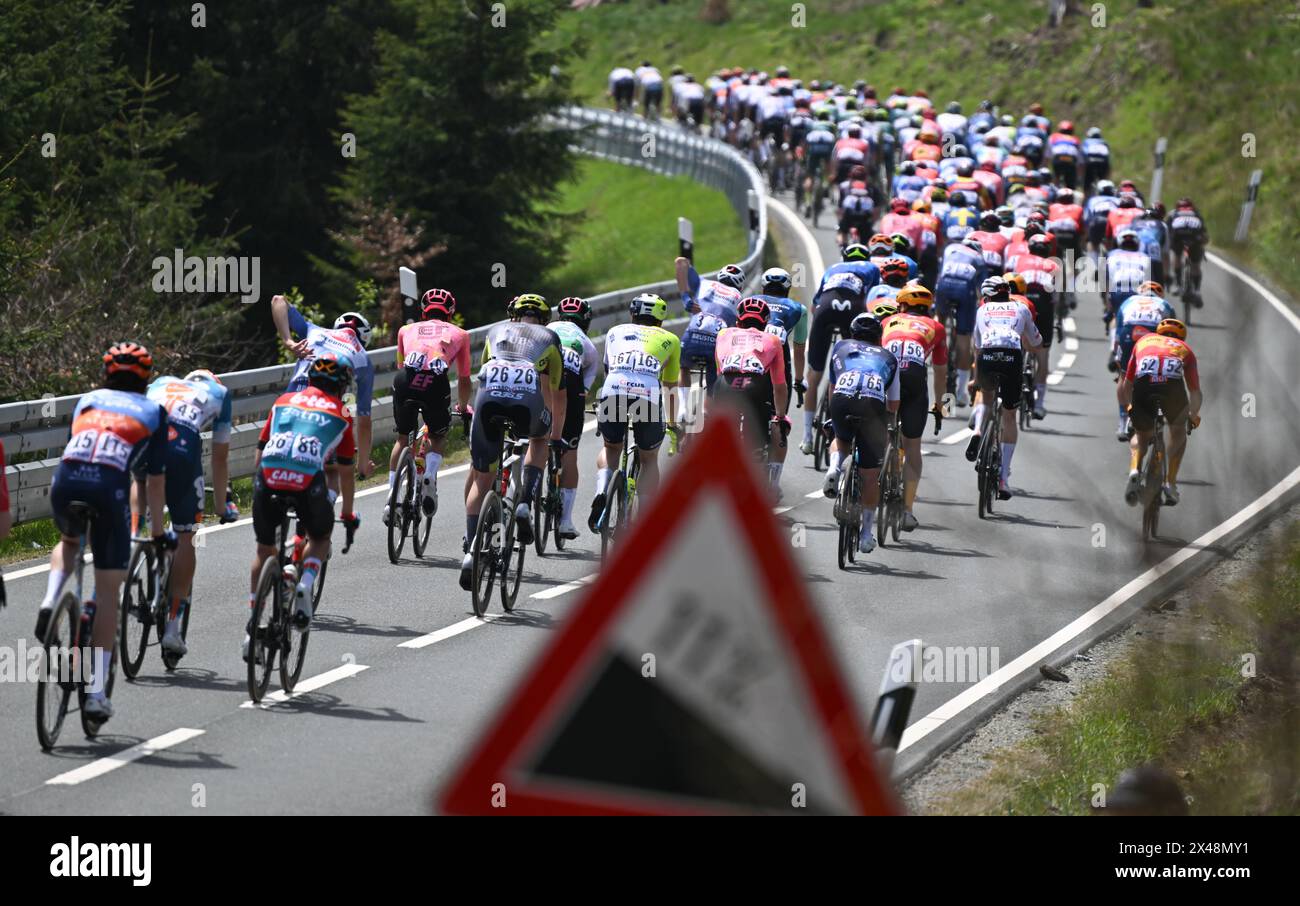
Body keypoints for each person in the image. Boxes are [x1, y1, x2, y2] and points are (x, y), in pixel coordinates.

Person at [38, 343, 170, 724]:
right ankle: (95, 692)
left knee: (69, 541)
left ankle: (49, 601)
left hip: (66, 479)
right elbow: (155, 481)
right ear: (145, 378)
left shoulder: (88, 399)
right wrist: (158, 534)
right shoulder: (154, 411)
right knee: (109, 590)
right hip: (108, 484)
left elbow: (75, 443)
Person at [461, 294, 565, 588]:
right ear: (545, 319)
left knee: (482, 478)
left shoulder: (495, 330)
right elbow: (558, 393)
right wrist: (555, 435)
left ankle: (471, 550)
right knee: (539, 439)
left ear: (513, 315)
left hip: (488, 400)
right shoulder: (550, 337)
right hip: (526, 404)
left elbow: (482, 374)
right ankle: (525, 502)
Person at [134, 367, 236, 660]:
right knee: (186, 535)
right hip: (182, 450)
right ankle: (173, 627)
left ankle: (134, 532)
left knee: (140, 479)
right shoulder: (220, 394)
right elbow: (219, 458)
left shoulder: (162, 382)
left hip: (144, 442)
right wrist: (221, 507)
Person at [587, 293, 680, 532]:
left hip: (613, 390)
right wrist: (671, 423)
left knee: (611, 448)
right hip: (647, 397)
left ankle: (601, 490)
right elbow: (670, 386)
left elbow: (608, 371)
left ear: (632, 314)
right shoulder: (671, 338)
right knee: (649, 459)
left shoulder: (615, 331)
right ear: (660, 319)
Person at [270, 294, 376, 484]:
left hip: (292, 400)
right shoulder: (363, 358)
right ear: (364, 339)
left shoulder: (314, 331)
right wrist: (362, 466)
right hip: (326, 409)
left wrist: (289, 342)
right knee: (332, 473)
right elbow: (365, 420)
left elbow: (278, 300)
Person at [387, 288, 472, 524]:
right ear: (451, 312)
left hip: (406, 380)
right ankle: (430, 476)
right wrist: (463, 406)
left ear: (423, 311)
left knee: (403, 437)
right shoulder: (461, 334)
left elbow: (402, 365)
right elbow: (464, 378)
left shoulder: (405, 329)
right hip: (435, 383)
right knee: (437, 435)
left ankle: (390, 498)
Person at [821, 313, 900, 554]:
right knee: (869, 474)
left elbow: (832, 389)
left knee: (840, 438)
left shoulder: (841, 346)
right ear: (879, 338)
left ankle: (835, 466)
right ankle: (866, 534)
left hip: (842, 399)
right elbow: (894, 404)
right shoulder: (889, 357)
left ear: (853, 334)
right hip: (872, 405)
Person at [965, 278, 1044, 500]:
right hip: (1012, 358)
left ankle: (978, 429)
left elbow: (978, 347)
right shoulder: (1021, 308)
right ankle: (1003, 479)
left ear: (987, 296)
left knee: (985, 395)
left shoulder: (983, 310)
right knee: (1010, 415)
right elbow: (1036, 340)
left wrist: (975, 378)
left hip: (988, 357)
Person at [881, 283, 948, 529]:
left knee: (878, 432)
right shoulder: (936, 328)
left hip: (886, 377)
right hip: (914, 381)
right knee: (913, 448)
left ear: (903, 305)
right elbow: (941, 373)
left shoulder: (888, 321)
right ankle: (907, 509)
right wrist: (940, 407)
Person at [802, 245, 879, 452]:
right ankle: (839, 425)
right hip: (852, 311)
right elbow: (873, 299)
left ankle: (807, 436)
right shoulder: (872, 268)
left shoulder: (833, 268)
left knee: (814, 374)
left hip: (824, 310)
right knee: (851, 367)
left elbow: (814, 305)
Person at [1119, 319, 1201, 507]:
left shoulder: (1143, 342)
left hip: (1144, 386)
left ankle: (1134, 470)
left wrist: (1130, 408)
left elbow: (1127, 384)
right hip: (1171, 388)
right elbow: (1195, 392)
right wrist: (1193, 416)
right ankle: (1169, 483)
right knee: (1178, 432)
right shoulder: (1185, 348)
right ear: (1181, 337)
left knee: (1141, 436)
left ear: (1158, 332)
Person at [747, 268, 807, 497]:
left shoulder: (749, 301)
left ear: (763, 288)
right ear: (788, 289)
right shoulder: (798, 309)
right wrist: (800, 379)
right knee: (779, 421)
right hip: (778, 366)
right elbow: (799, 349)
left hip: (746, 361)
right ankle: (773, 483)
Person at [714, 298, 789, 465]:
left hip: (725, 383)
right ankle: (771, 483)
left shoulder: (723, 334)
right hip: (755, 385)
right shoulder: (774, 340)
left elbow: (719, 370)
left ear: (738, 321)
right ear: (765, 324)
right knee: (771, 429)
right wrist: (781, 416)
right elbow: (779, 385)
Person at [549, 297, 599, 539]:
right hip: (572, 386)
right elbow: (587, 382)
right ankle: (566, 521)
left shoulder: (546, 329)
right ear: (586, 320)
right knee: (570, 453)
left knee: (534, 441)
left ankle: (522, 496)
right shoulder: (587, 343)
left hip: (543, 380)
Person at [676, 259, 744, 418]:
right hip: (715, 345)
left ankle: (683, 409)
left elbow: (680, 263)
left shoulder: (704, 284)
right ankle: (708, 411)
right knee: (717, 375)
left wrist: (685, 297)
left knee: (684, 368)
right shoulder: (739, 297)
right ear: (740, 286)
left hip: (692, 337)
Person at [1111, 281, 1175, 439]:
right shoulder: (1165, 305)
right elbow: (1174, 335)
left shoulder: (1128, 301)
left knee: (1124, 376)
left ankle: (1123, 420)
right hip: (1153, 335)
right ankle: (1157, 410)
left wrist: (1116, 356)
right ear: (1159, 295)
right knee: (1160, 371)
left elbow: (1117, 334)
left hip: (1129, 333)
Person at [934, 235, 989, 406]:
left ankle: (936, 344)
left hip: (944, 286)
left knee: (940, 317)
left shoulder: (950, 249)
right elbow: (983, 290)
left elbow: (940, 273)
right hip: (964, 290)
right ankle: (961, 391)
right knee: (964, 339)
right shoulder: (979, 258)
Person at [1167, 198, 1209, 303]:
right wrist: (1202, 247)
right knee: (1196, 265)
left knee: (1177, 256)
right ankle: (1197, 290)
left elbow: (1167, 230)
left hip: (1179, 238)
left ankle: (1178, 284)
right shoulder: (1197, 214)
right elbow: (1204, 232)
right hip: (1195, 239)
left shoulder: (1173, 214)